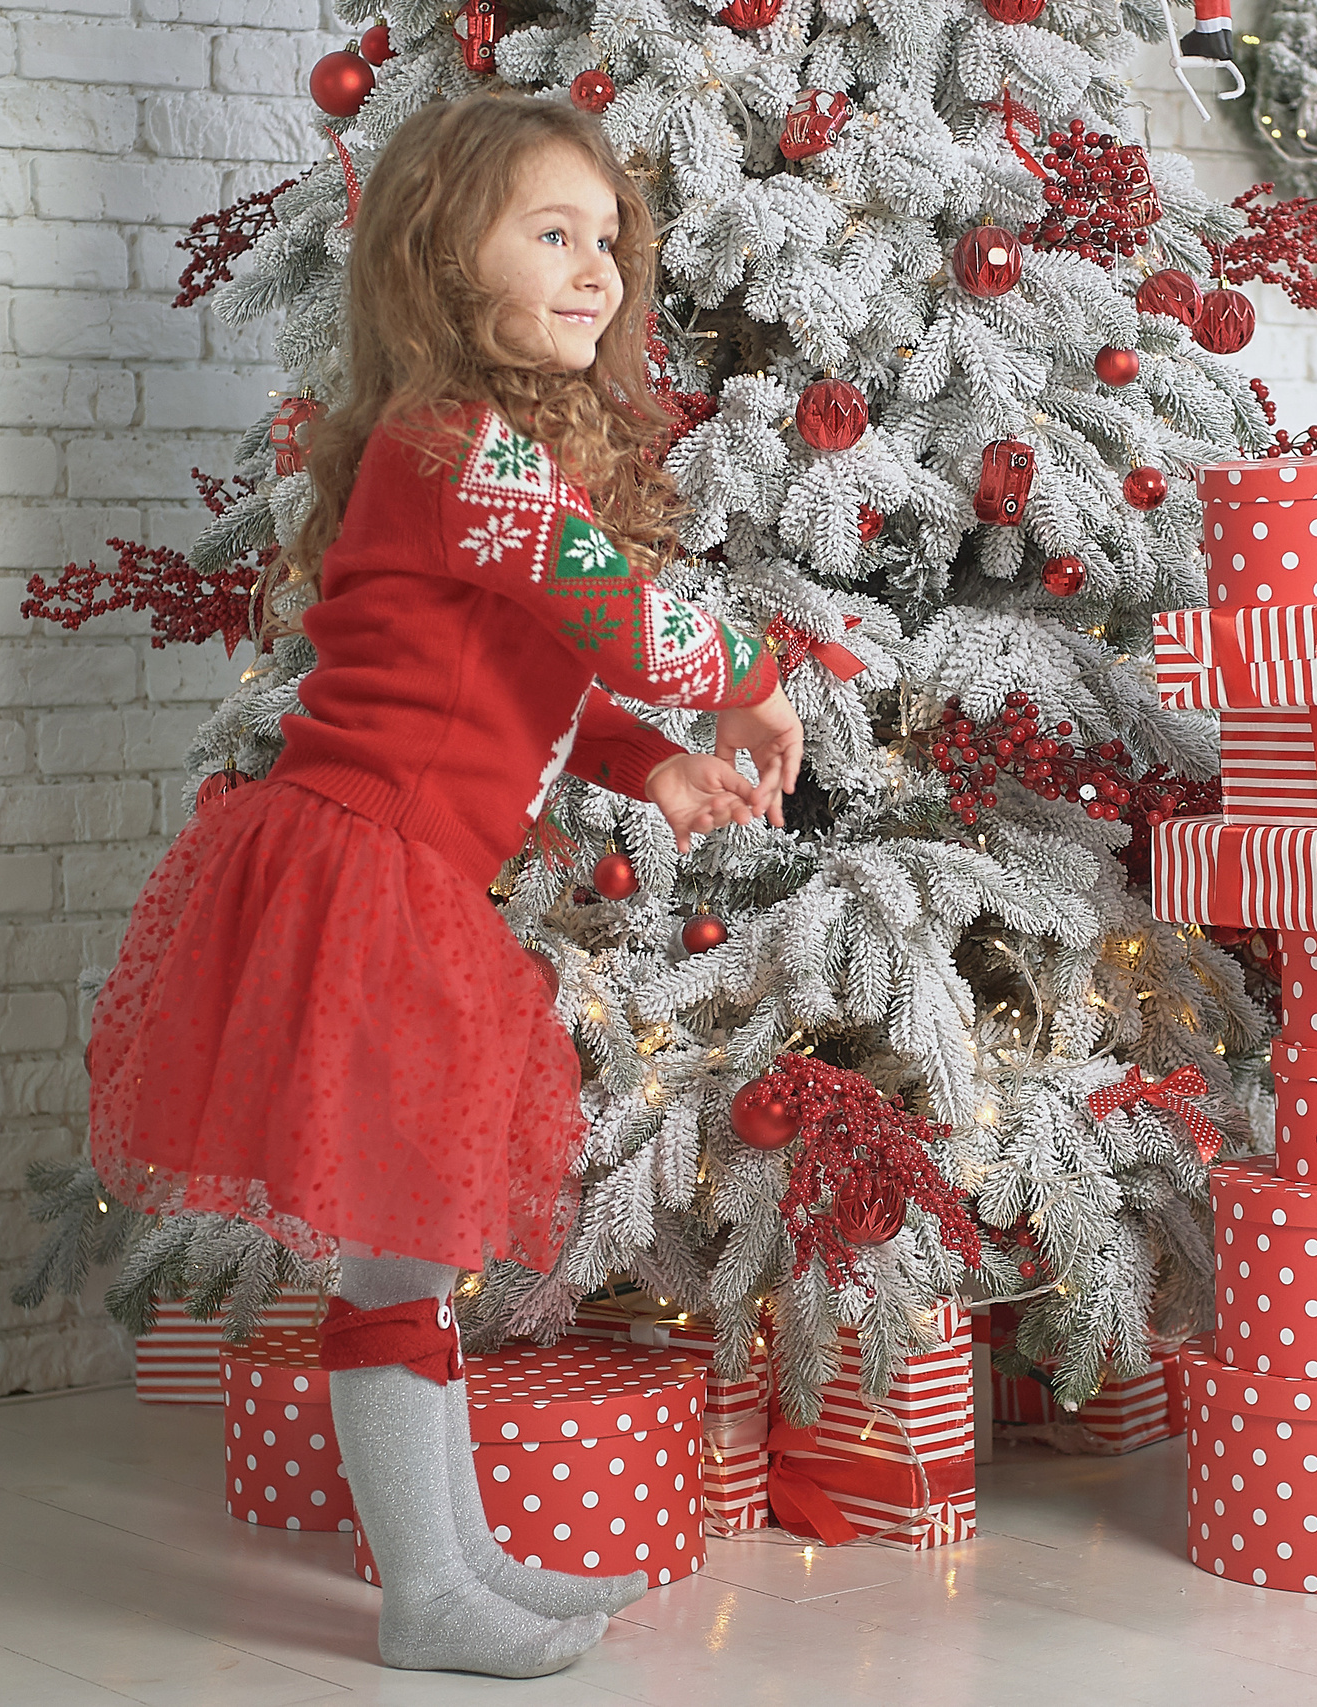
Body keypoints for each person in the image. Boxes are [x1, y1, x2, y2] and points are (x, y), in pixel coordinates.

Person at [86, 93, 800, 1678]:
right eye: (551, 233)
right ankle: (428, 1590)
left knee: (411, 1259)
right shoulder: (449, 443)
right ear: (435, 255)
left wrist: (651, 766)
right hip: (366, 876)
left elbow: (533, 666)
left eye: (608, 238)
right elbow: (612, 615)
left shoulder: (490, 458)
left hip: (396, 877)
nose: (598, 267)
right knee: (400, 1254)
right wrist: (756, 675)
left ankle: (457, 1552)